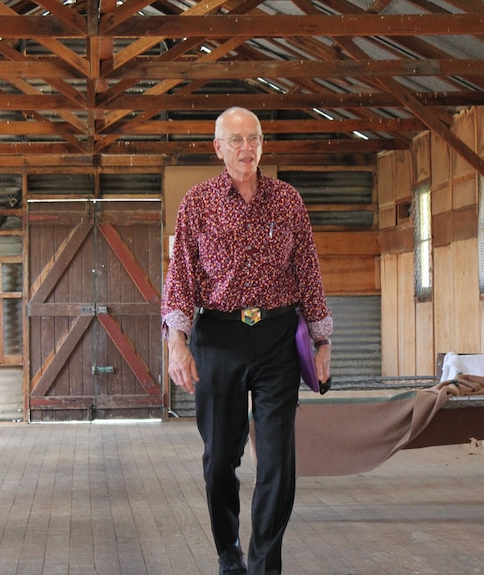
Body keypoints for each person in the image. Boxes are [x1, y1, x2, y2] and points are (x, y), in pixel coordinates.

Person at [160, 107, 333, 575]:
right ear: (218, 148)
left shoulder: (288, 201)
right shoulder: (196, 203)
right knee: (220, 462)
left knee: (278, 464)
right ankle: (229, 554)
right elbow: (180, 279)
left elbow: (309, 274)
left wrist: (321, 340)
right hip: (218, 337)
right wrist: (178, 343)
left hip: (278, 337)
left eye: (253, 138)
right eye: (235, 140)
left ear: (262, 144)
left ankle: (262, 566)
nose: (246, 148)